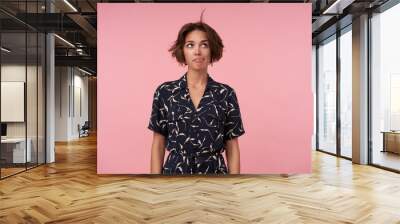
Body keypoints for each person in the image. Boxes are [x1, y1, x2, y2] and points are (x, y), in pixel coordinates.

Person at [148, 19, 245, 175]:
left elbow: (232, 146)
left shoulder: (226, 94)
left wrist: (234, 184)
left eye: (204, 45)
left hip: (215, 177)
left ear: (212, 50)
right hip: (174, 177)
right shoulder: (165, 92)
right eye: (190, 45)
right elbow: (158, 143)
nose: (197, 51)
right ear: (182, 51)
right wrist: (154, 185)